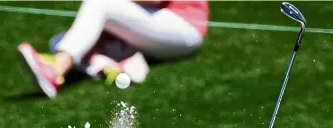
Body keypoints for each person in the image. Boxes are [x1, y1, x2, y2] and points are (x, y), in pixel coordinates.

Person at [18, 0, 209, 98]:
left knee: (100, 3)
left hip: (183, 28)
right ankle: (111, 64)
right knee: (60, 41)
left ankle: (57, 70)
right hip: (157, 22)